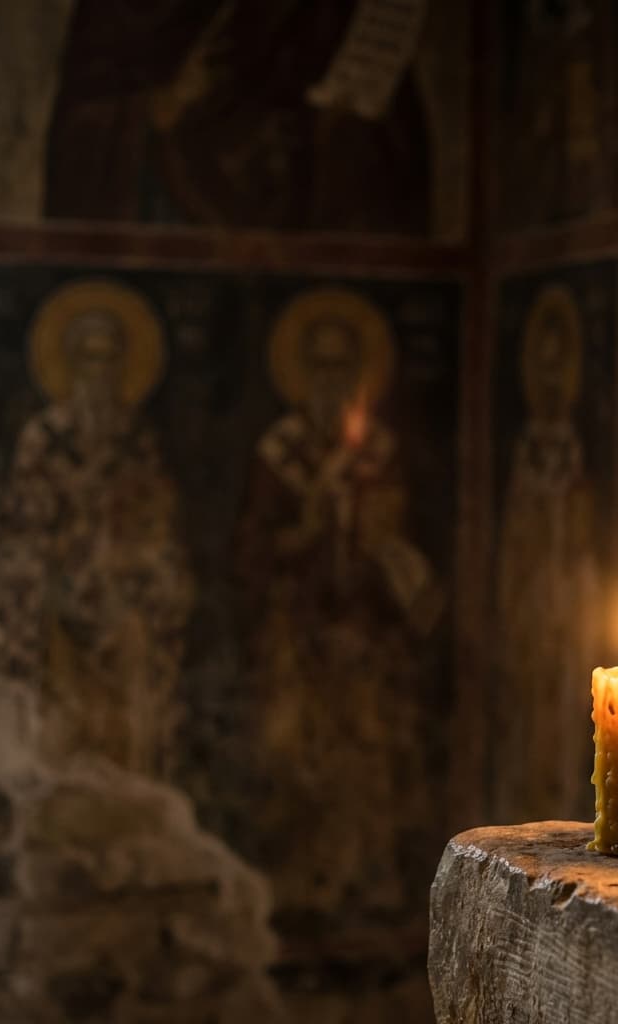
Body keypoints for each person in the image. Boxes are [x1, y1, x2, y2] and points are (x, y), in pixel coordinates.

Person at [234, 288, 442, 947]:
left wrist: (380, 542)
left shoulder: (376, 453)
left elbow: (400, 540)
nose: (331, 381)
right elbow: (253, 552)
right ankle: (299, 889)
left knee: (367, 760)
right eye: (318, 367)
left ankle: (365, 889)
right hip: (297, 636)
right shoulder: (280, 452)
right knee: (297, 755)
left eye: (342, 368)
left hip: (364, 638)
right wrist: (309, 524)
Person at [0, 283, 193, 777]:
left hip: (124, 616)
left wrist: (142, 575)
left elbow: (158, 530)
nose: (98, 373)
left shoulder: (139, 441)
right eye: (88, 358)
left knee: (127, 740)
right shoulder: (44, 439)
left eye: (109, 359)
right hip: (57, 612)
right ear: (70, 364)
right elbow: (23, 533)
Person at [495, 286, 598, 823]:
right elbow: (518, 535)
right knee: (526, 722)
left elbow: (579, 529)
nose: (554, 380)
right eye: (545, 366)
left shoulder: (575, 449)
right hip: (533, 598)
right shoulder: (527, 450)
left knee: (561, 719)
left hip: (567, 598)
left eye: (563, 367)